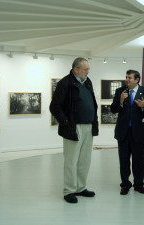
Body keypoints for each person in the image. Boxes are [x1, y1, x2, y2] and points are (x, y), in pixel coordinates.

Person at [50, 57, 98, 203]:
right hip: (73, 128)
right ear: (75, 69)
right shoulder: (65, 83)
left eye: (88, 69)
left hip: (88, 126)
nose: (88, 72)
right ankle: (69, 191)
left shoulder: (87, 82)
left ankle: (81, 188)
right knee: (71, 161)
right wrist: (66, 123)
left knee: (85, 160)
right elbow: (55, 107)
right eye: (85, 69)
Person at [110, 69, 144, 195]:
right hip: (123, 133)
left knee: (138, 161)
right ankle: (125, 184)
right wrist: (120, 101)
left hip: (139, 133)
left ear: (137, 80)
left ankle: (138, 184)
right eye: (126, 77)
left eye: (130, 77)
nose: (127, 79)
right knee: (124, 161)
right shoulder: (120, 91)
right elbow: (113, 109)